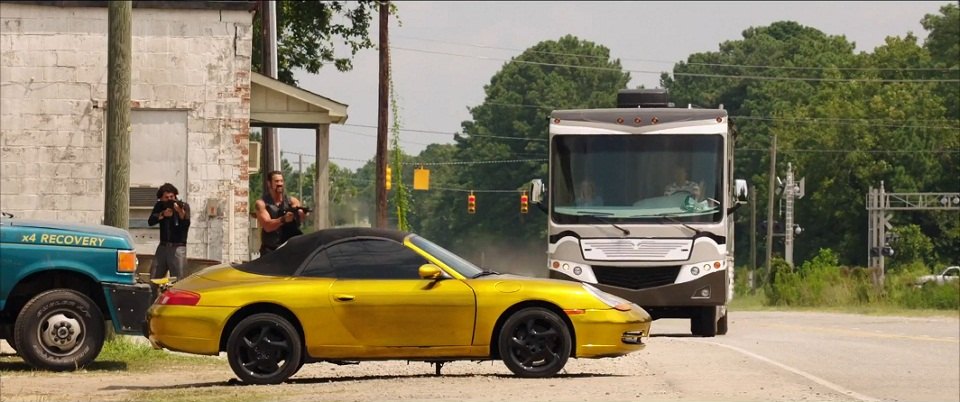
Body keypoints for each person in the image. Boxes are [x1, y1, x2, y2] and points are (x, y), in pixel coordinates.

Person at [256, 170, 308, 256]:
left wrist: (301, 215)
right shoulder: (261, 204)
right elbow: (267, 226)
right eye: (276, 181)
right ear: (269, 183)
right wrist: (283, 219)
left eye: (281, 181)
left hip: (290, 250)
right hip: (270, 251)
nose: (280, 184)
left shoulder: (292, 201)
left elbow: (301, 218)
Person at [147, 183, 190, 281]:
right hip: (163, 246)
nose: (170, 199)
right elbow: (151, 221)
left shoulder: (184, 206)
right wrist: (163, 214)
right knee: (154, 277)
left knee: (179, 279)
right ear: (161, 199)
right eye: (166, 197)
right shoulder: (160, 206)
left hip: (178, 247)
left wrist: (179, 211)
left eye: (172, 196)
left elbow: (186, 223)